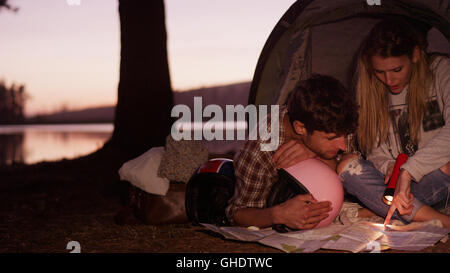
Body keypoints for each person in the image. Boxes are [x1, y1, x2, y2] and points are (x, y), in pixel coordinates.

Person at [338, 18, 450, 227]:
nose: (389, 80)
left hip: (434, 177)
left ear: (415, 55)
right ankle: (440, 221)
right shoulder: (369, 90)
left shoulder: (441, 70)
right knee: (347, 166)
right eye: (380, 72)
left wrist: (408, 171)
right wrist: (389, 166)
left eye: (397, 70)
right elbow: (374, 149)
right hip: (396, 187)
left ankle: (374, 209)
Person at [225, 74, 359, 229]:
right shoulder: (259, 150)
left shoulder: (339, 122)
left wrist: (314, 154)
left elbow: (354, 175)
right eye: (331, 138)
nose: (343, 145)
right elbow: (236, 214)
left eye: (346, 135)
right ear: (300, 128)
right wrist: (277, 215)